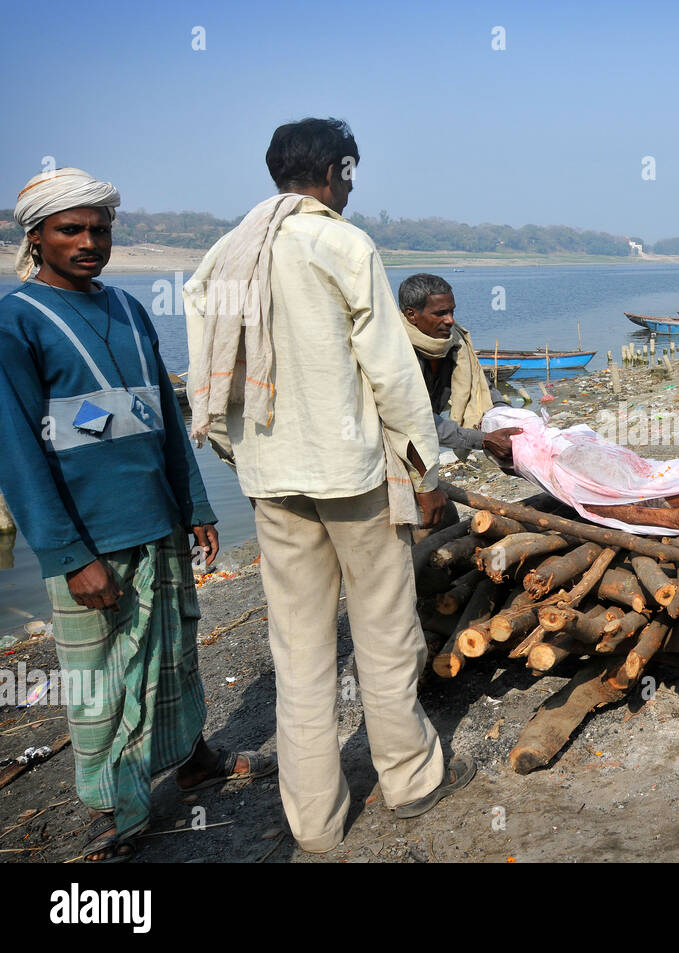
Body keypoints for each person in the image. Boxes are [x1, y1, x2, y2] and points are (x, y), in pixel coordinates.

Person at [183, 118, 474, 853]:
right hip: (352, 478)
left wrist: (239, 454)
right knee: (384, 631)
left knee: (300, 652)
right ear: (335, 173)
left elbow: (206, 383)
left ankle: (314, 823)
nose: (353, 183)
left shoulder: (223, 256)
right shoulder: (341, 244)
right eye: (351, 171)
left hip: (274, 484)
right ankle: (409, 779)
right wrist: (425, 468)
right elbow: (390, 370)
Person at [0, 169, 274, 863]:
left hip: (160, 523)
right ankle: (111, 809)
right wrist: (70, 556)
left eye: (101, 229)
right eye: (72, 229)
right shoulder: (17, 322)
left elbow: (162, 422)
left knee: (178, 653)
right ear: (36, 237)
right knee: (102, 680)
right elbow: (17, 457)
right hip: (93, 539)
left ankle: (193, 758)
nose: (91, 241)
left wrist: (197, 505)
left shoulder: (127, 308)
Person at [397, 273, 521, 472]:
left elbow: (481, 387)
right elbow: (418, 419)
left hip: (422, 441)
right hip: (389, 444)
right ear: (411, 315)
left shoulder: (454, 343)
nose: (450, 320)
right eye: (440, 313)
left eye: (452, 312)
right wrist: (483, 440)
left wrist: (504, 412)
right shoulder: (394, 351)